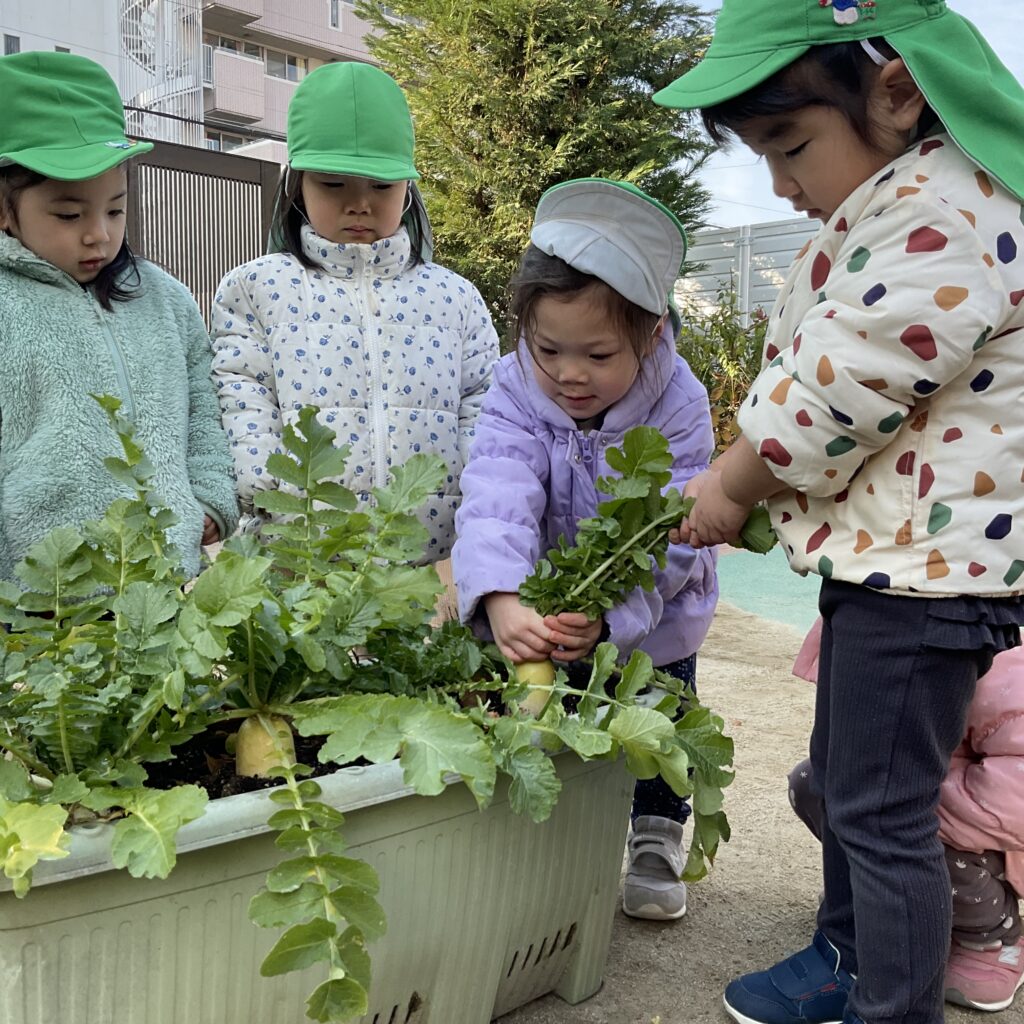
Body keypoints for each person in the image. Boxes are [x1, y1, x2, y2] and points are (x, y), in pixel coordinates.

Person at [657, 2, 1024, 1023]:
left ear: (896, 90)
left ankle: (888, 1002)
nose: (779, 182)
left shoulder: (942, 210)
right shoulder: (911, 197)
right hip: (896, 569)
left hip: (924, 579)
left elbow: (840, 385)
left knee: (880, 812)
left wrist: (731, 483)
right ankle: (847, 959)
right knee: (854, 790)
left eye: (789, 145)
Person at [452, 177, 718, 921]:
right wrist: (502, 595)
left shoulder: (680, 402)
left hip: (653, 607)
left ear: (653, 334)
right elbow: (497, 492)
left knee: (659, 707)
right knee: (548, 707)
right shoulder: (513, 388)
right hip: (542, 588)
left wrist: (614, 614)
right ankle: (560, 834)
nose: (570, 374)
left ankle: (658, 835)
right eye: (549, 350)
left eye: (598, 354)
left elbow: (670, 532)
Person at [210, 63, 498, 562]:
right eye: (334, 184)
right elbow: (242, 398)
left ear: (408, 188)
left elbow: (483, 403)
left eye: (382, 186)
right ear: (297, 184)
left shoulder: (455, 298)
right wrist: (266, 493)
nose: (360, 204)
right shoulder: (255, 289)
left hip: (432, 568)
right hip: (300, 564)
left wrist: (478, 501)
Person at [0, 52, 238, 582]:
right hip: (38, 603)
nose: (100, 234)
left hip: (165, 582)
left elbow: (205, 409)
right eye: (69, 214)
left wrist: (209, 497)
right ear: (3, 208)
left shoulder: (166, 299)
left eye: (115, 208)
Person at [791, 622, 1024, 1013]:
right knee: (819, 785)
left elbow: (1011, 805)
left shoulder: (1009, 687)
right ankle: (896, 904)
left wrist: (910, 796)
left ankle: (993, 937)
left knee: (895, 823)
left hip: (995, 834)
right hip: (941, 790)